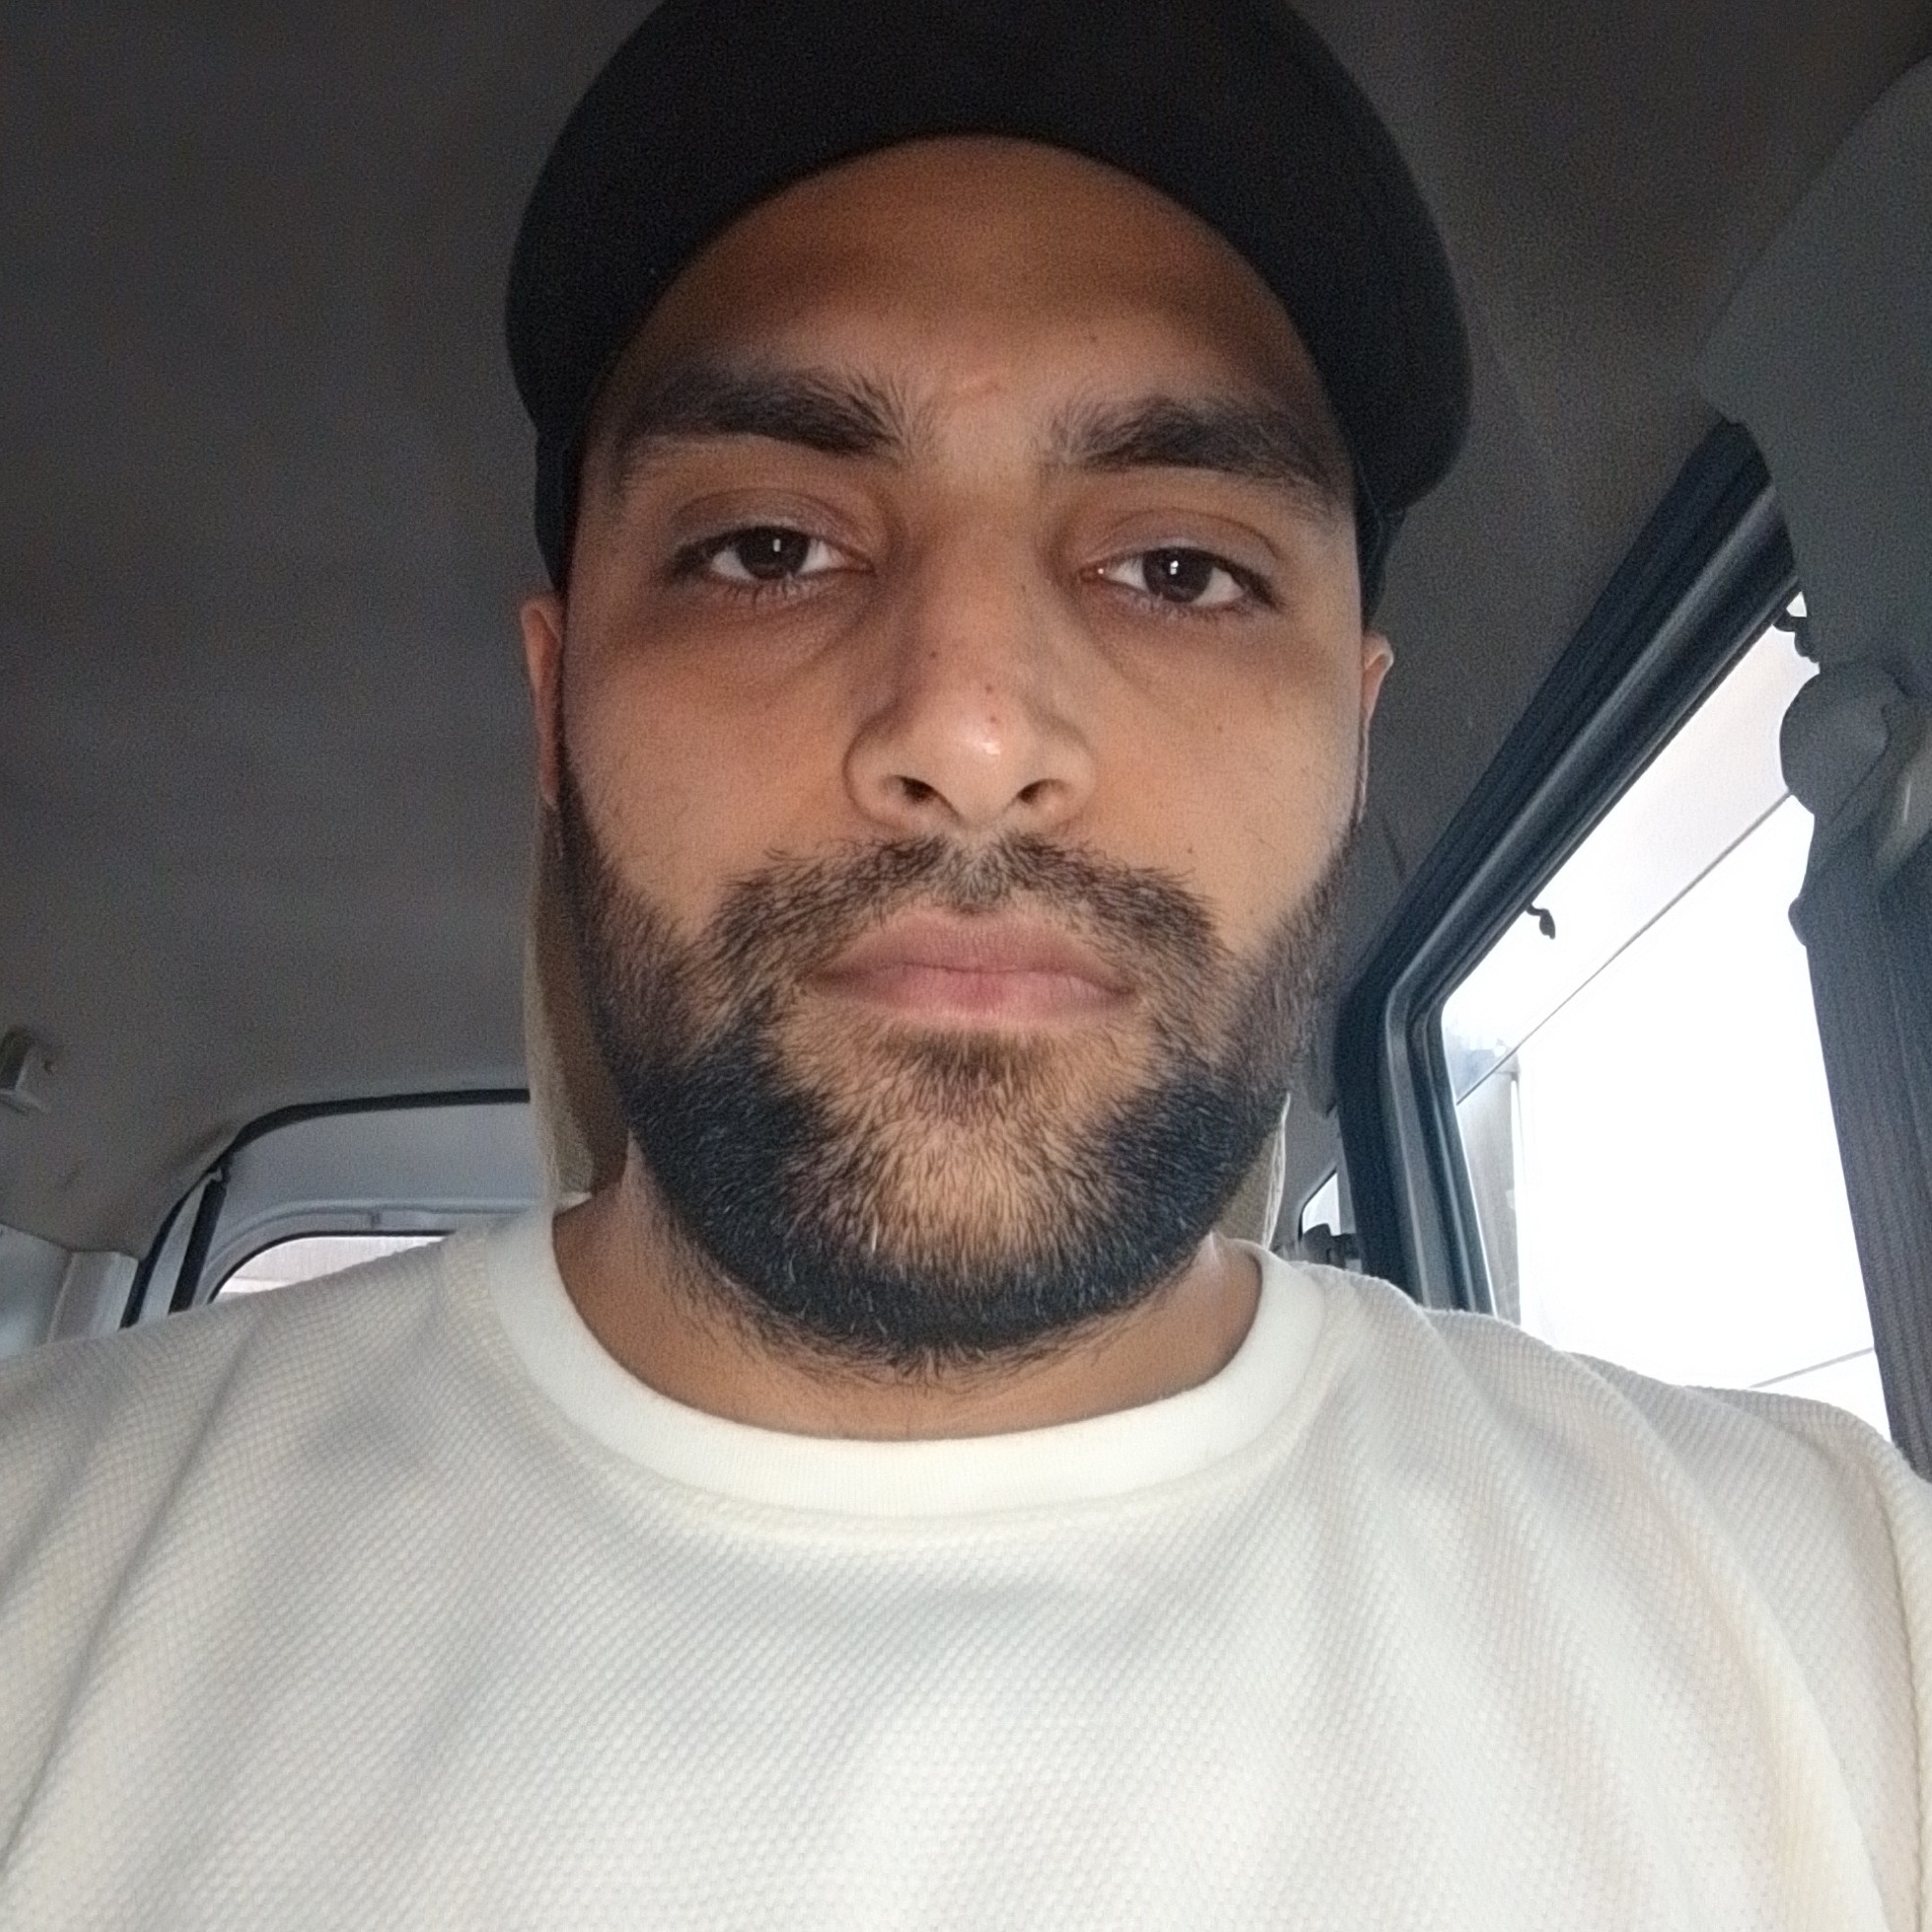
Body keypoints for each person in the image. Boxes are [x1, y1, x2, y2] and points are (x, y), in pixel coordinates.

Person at [2, 1, 1927, 1924]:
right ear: (555, 703)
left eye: (1179, 569)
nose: (972, 729)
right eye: (768, 548)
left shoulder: (1842, 1618)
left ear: (1351, 739)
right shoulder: (41, 1569)